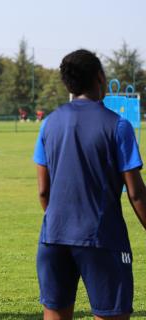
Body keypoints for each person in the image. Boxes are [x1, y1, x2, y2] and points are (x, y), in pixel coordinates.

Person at [33, 49, 146, 320]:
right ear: (99, 77)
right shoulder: (118, 126)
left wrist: (58, 220)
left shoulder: (48, 124)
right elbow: (136, 193)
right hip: (101, 238)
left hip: (53, 239)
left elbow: (43, 190)